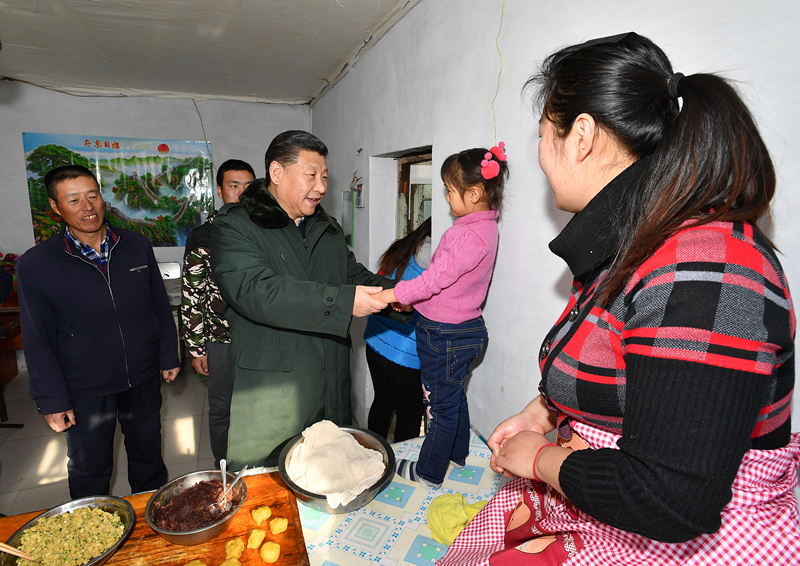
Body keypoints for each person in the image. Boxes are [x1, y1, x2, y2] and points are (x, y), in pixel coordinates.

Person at [440, 33, 798, 565]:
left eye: (543, 135)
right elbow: (626, 371)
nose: (540, 156)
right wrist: (542, 411)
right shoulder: (639, 245)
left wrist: (539, 459)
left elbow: (669, 497)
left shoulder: (710, 271)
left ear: (581, 136)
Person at [210, 130, 402, 469]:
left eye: (325, 176)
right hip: (276, 389)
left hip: (330, 382)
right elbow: (257, 291)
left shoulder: (324, 229)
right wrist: (343, 302)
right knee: (273, 483)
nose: (321, 187)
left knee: (330, 475)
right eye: (311, 175)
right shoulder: (237, 226)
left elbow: (352, 276)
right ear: (277, 173)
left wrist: (402, 294)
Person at [17, 165, 180, 499]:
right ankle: (96, 537)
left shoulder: (135, 245)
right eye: (74, 199)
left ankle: (153, 524)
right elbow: (37, 338)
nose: (87, 207)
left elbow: (159, 306)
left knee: (148, 454)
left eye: (93, 196)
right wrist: (52, 399)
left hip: (143, 376)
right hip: (84, 386)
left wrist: (168, 354)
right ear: (55, 207)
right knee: (89, 467)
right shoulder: (37, 265)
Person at [376, 145, 508, 488]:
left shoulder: (465, 233)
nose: (446, 199)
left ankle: (428, 472)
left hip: (444, 336)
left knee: (439, 407)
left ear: (474, 193)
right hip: (464, 330)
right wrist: (414, 303)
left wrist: (394, 293)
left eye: (450, 190)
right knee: (452, 398)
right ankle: (456, 455)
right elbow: (449, 288)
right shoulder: (487, 229)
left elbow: (435, 279)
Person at [181, 158, 255, 468]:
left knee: (257, 403)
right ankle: (223, 466)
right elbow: (192, 294)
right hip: (220, 338)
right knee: (222, 406)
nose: (240, 193)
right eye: (233, 186)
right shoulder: (204, 236)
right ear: (220, 189)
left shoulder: (264, 232)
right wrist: (196, 348)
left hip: (257, 337)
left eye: (248, 187)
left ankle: (255, 462)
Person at [364, 218, 431, 443]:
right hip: (406, 355)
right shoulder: (437, 264)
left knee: (382, 403)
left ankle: (371, 456)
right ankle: (400, 468)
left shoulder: (401, 248)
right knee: (409, 418)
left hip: (375, 341)